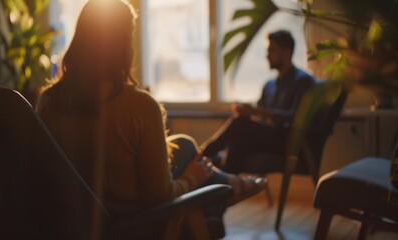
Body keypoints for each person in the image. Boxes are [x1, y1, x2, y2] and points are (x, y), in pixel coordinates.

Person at [36, 0, 265, 238]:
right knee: (200, 181)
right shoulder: (140, 106)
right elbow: (160, 196)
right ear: (124, 43)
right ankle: (231, 187)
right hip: (133, 223)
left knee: (184, 145)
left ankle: (231, 184)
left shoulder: (49, 100)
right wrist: (191, 178)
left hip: (72, 222)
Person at [201, 30, 316, 174]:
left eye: (272, 50)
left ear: (286, 52)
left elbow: (296, 117)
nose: (267, 55)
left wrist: (254, 111)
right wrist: (249, 111)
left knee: (240, 122)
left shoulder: (303, 81)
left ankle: (202, 153)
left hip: (288, 139)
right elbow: (260, 116)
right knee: (238, 143)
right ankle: (227, 188)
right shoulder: (269, 85)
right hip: (267, 138)